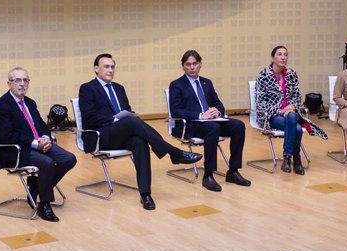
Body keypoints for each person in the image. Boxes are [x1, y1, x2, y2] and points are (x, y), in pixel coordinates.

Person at [78, 53, 202, 210]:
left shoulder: (119, 88)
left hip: (120, 134)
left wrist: (129, 115)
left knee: (140, 141)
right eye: (106, 67)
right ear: (96, 69)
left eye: (112, 67)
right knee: (130, 121)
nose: (110, 70)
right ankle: (173, 152)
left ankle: (146, 194)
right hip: (100, 136)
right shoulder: (87, 88)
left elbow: (127, 111)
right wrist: (116, 119)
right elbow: (89, 118)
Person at [0, 67, 77, 221]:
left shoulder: (30, 103)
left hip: (38, 145)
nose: (22, 84)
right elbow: (6, 136)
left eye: (25, 80)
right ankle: (44, 205)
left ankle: (36, 186)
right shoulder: (1, 105)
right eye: (17, 80)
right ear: (9, 83)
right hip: (16, 150)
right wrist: (35, 143)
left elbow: (41, 125)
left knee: (69, 158)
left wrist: (45, 137)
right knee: (47, 163)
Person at [168, 50, 251, 192]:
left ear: (200, 64)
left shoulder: (207, 83)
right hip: (192, 125)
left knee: (238, 125)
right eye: (188, 64)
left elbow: (219, 104)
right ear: (183, 66)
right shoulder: (176, 85)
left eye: (195, 64)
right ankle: (208, 175)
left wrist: (216, 111)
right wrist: (200, 115)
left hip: (213, 121)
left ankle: (233, 171)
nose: (192, 67)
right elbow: (175, 111)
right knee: (212, 128)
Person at [254, 45, 327, 175]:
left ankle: (287, 158)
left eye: (285, 55)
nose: (283, 57)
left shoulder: (292, 74)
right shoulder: (263, 75)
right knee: (297, 128)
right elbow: (260, 103)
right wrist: (280, 111)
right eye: (279, 54)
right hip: (271, 116)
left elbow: (297, 96)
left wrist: (292, 106)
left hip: (291, 113)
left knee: (292, 118)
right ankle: (297, 159)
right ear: (273, 57)